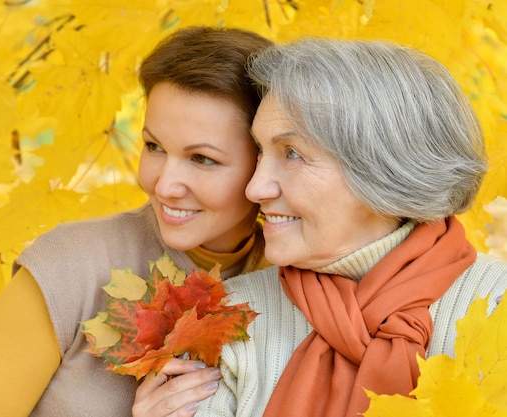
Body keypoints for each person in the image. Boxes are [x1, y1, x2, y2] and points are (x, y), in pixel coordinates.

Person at [136, 37, 507, 417]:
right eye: (260, 151)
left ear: (384, 172)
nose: (255, 187)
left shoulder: (498, 308)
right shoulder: (230, 318)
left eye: (292, 154)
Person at [0, 26, 273, 417]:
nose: (164, 184)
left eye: (202, 159)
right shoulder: (68, 267)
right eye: (154, 147)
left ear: (265, 162)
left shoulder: (299, 286)